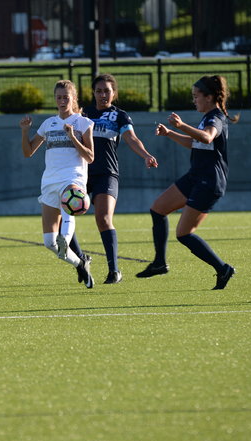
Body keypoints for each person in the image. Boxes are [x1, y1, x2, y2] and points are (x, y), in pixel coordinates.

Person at [136, 75, 238, 290]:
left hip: (209, 181)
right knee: (158, 209)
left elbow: (207, 137)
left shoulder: (215, 118)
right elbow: (196, 143)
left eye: (196, 96)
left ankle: (223, 269)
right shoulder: (207, 116)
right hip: (195, 177)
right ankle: (159, 263)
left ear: (209, 97)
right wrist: (170, 132)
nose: (194, 100)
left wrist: (181, 125)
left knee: (183, 233)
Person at [80, 73, 158, 284]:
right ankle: (80, 260)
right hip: (81, 173)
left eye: (107, 91)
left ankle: (114, 271)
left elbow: (131, 138)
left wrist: (146, 155)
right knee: (64, 216)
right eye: (98, 91)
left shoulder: (119, 116)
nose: (103, 95)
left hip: (107, 173)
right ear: (93, 93)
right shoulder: (83, 114)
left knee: (104, 219)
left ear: (114, 93)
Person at [20, 80, 96, 288]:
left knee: (69, 204)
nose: (62, 101)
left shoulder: (83, 123)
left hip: (73, 178)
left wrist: (72, 136)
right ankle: (80, 263)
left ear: (74, 98)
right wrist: (25, 131)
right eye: (59, 97)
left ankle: (66, 237)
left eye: (66, 97)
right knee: (49, 243)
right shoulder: (48, 123)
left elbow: (90, 157)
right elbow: (28, 152)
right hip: (50, 182)